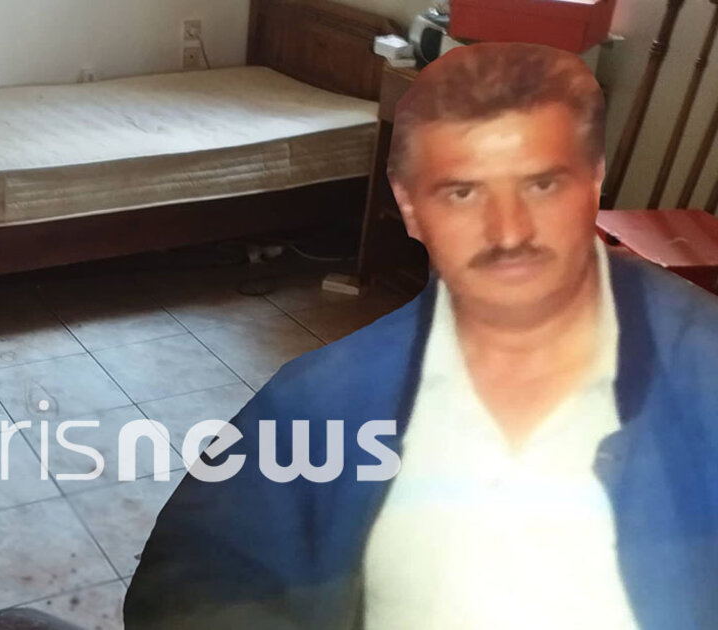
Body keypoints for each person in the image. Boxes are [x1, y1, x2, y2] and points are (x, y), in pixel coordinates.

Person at [124, 42, 718, 630]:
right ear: (410, 210)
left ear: (594, 182)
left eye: (541, 185)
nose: (509, 232)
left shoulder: (702, 364)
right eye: (463, 192)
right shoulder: (315, 403)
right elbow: (193, 588)